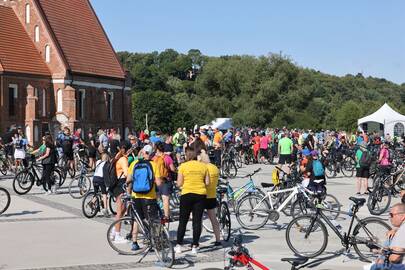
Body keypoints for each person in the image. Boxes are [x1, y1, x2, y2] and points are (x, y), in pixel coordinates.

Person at [125, 144, 162, 251]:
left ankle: (134, 242)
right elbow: (158, 183)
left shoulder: (134, 163)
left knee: (137, 219)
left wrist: (129, 193)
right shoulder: (153, 165)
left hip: (136, 196)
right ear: (150, 154)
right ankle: (155, 242)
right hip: (149, 197)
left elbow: (128, 180)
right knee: (153, 219)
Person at [175, 146, 210, 255]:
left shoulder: (183, 166)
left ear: (187, 155)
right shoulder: (203, 166)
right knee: (197, 221)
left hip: (187, 194)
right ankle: (195, 245)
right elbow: (207, 182)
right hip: (200, 194)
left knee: (183, 220)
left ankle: (179, 245)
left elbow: (179, 183)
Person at [370, 203, 405, 269]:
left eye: (391, 215)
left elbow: (395, 258)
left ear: (403, 216)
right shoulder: (401, 229)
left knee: (375, 267)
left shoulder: (403, 230)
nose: (390, 217)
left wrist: (383, 259)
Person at [199, 151, 221, 246]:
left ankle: (197, 241)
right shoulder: (215, 168)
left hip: (202, 195)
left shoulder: (203, 168)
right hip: (212, 195)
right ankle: (218, 240)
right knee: (213, 219)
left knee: (198, 219)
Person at [111, 141, 130, 243]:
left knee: (122, 210)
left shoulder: (118, 157)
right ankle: (117, 234)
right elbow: (127, 174)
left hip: (117, 185)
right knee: (120, 210)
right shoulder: (123, 159)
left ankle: (114, 231)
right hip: (120, 185)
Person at [153, 141, 175, 221]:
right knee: (165, 199)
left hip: (156, 180)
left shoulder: (153, 158)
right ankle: (166, 217)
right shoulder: (167, 157)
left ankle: (157, 214)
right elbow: (172, 169)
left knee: (157, 198)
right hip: (165, 180)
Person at [93, 153, 110, 217]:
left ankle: (92, 202)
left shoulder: (98, 161)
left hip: (94, 178)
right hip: (100, 179)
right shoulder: (106, 164)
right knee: (104, 194)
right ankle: (105, 209)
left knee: (96, 193)